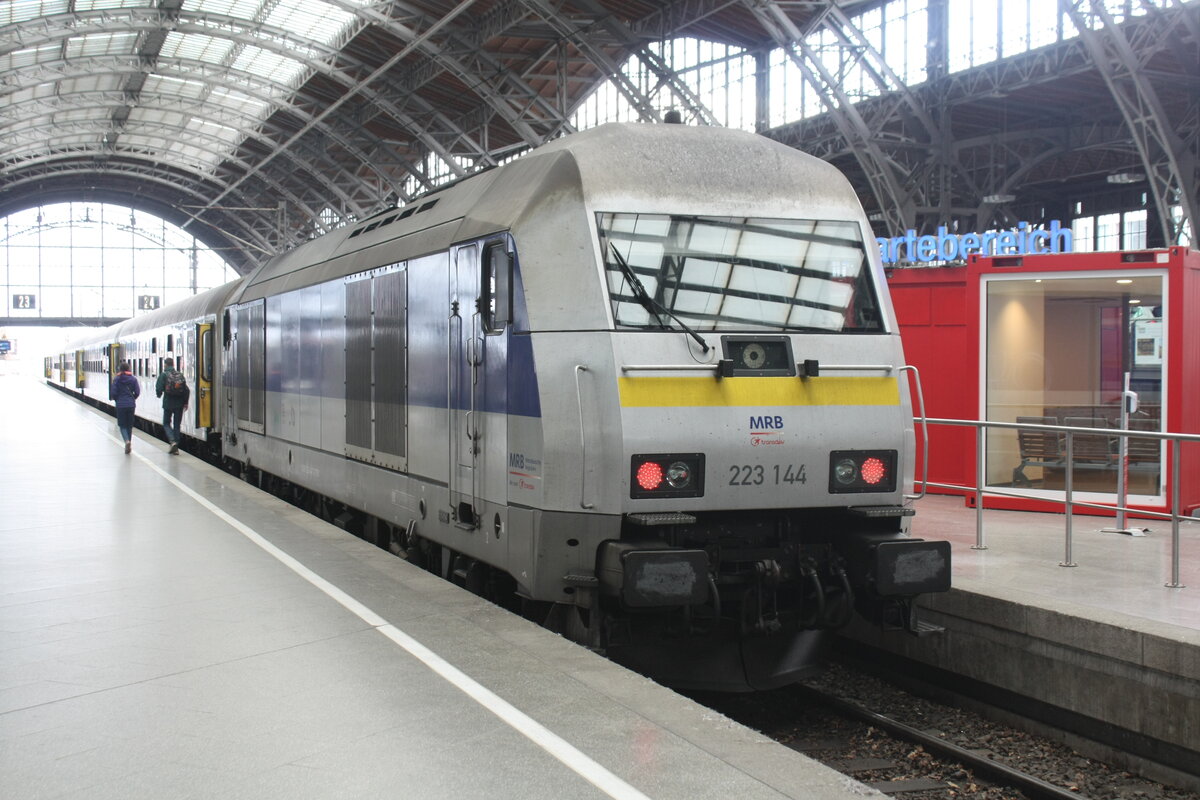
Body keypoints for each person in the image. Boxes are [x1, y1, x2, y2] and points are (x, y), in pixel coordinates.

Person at [155, 357, 189, 454]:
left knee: (166, 423)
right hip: (179, 404)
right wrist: (185, 402)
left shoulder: (164, 375)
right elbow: (186, 390)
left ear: (165, 365)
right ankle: (176, 447)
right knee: (177, 425)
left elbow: (159, 388)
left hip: (168, 403)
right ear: (173, 364)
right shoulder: (180, 375)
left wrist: (159, 394)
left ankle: (172, 441)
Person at [110, 361, 140, 454]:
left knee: (122, 425)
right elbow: (137, 392)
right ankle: (129, 442)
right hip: (131, 405)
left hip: (120, 405)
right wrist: (132, 398)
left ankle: (126, 441)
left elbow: (113, 393)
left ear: (120, 369)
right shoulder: (133, 379)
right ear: (128, 369)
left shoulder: (117, 379)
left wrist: (117, 400)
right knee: (129, 426)